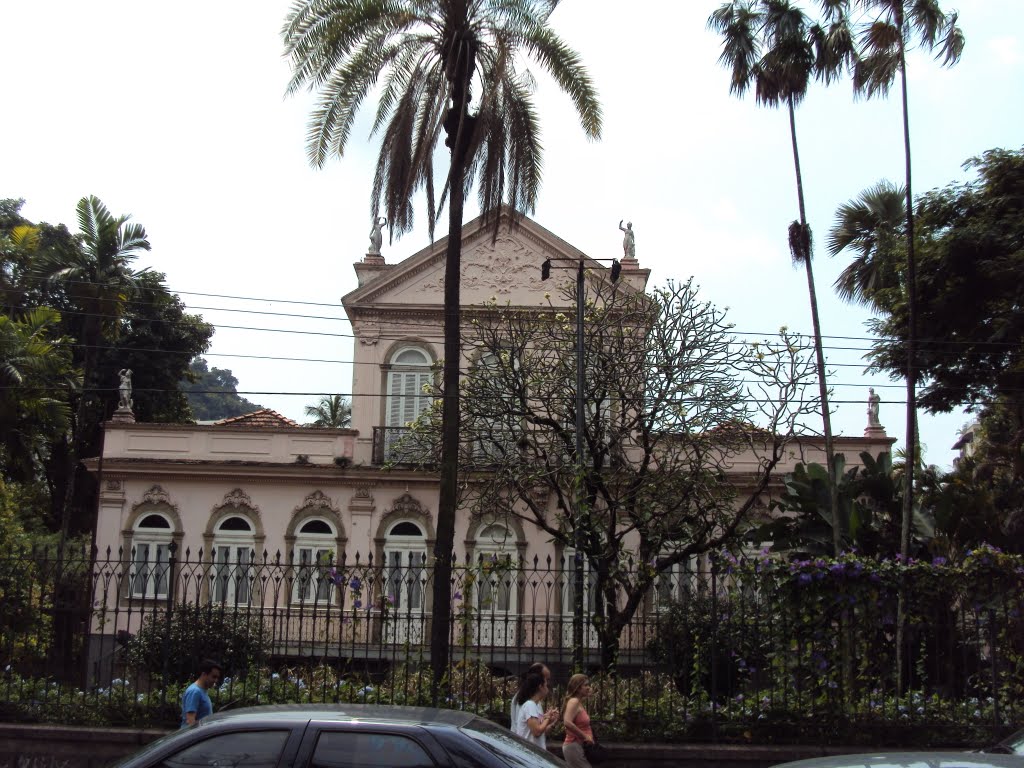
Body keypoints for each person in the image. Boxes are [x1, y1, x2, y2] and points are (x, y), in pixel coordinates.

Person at [514, 672, 559, 749]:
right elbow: (537, 732)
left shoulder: (535, 706)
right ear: (540, 687)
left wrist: (551, 722)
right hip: (529, 753)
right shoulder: (530, 705)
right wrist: (547, 718)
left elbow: (542, 733)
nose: (547, 688)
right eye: (546, 685)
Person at [562, 674, 596, 768]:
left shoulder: (578, 701)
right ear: (577, 688)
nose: (588, 687)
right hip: (573, 746)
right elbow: (567, 722)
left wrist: (588, 693)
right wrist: (585, 736)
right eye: (585, 685)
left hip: (579, 746)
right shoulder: (574, 702)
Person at [180, 659, 221, 728]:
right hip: (194, 737)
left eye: (217, 677)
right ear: (204, 674)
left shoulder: (202, 691)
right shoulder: (194, 692)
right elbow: (190, 721)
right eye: (214, 677)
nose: (216, 680)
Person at [510, 663, 550, 731]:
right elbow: (536, 730)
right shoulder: (528, 702)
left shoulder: (534, 701)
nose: (547, 683)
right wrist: (547, 718)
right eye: (545, 678)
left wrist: (549, 720)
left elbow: (538, 724)